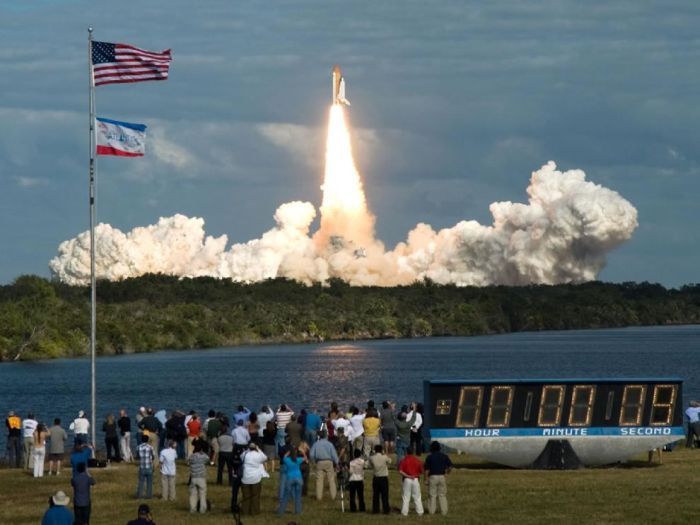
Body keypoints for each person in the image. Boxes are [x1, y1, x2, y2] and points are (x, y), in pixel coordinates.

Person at [240, 442, 269, 515]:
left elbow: (241, 456)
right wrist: (259, 449)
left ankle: (245, 511)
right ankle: (254, 511)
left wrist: (247, 450)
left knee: (246, 496)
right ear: (255, 448)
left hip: (246, 478)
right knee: (255, 496)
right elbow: (265, 458)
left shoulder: (245, 454)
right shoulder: (258, 455)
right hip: (255, 478)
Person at [424, 440, 452, 515]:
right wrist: (447, 472)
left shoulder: (429, 457)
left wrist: (426, 479)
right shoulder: (444, 456)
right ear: (439, 448)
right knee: (442, 495)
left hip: (433, 477)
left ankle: (431, 511)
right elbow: (450, 466)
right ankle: (444, 511)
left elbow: (427, 470)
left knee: (432, 495)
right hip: (442, 476)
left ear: (431, 448)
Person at [309, 430, 339, 501]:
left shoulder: (316, 444)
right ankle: (333, 496)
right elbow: (334, 455)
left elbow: (311, 454)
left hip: (319, 462)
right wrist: (337, 463)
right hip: (329, 462)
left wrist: (313, 462)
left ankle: (319, 497)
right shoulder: (329, 444)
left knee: (319, 481)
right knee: (331, 480)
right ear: (326, 436)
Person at [277, 447, 304, 516]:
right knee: (298, 496)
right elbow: (305, 458)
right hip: (298, 478)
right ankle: (298, 511)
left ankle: (281, 512)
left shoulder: (287, 460)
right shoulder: (298, 460)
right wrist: (302, 451)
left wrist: (289, 451)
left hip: (290, 478)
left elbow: (284, 457)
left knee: (285, 496)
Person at [399, 448, 424, 516]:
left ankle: (404, 512)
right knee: (417, 497)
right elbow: (422, 471)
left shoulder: (403, 460)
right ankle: (420, 512)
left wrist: (408, 476)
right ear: (413, 452)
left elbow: (400, 471)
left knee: (406, 497)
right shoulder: (417, 460)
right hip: (415, 479)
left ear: (406, 452)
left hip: (406, 479)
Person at [368, 444, 391, 514]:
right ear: (381, 450)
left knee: (376, 495)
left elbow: (370, 465)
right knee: (385, 495)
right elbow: (390, 461)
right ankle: (386, 509)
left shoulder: (372, 458)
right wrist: (384, 454)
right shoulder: (384, 457)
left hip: (376, 478)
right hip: (384, 478)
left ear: (375, 450)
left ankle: (375, 509)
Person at [188, 442, 209, 513]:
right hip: (201, 478)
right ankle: (202, 509)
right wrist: (202, 453)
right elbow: (208, 459)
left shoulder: (191, 457)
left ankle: (192, 509)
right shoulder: (203, 457)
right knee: (202, 494)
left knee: (193, 494)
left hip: (193, 477)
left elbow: (188, 462)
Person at [136, 435, 155, 500]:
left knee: (141, 482)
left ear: (141, 439)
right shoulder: (150, 447)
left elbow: (137, 456)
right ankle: (149, 496)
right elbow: (153, 456)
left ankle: (140, 495)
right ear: (147, 440)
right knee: (149, 482)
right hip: (149, 467)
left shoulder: (138, 447)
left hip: (142, 466)